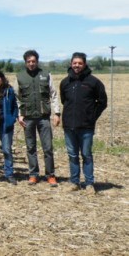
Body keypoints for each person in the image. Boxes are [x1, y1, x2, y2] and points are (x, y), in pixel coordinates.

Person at [60, 52, 107, 194]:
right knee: (72, 155)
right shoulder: (65, 82)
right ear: (71, 64)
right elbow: (64, 101)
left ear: (84, 64)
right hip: (69, 125)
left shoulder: (93, 82)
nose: (77, 66)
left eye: (80, 63)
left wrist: (92, 116)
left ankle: (89, 183)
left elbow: (102, 102)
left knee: (86, 155)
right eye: (75, 63)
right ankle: (74, 182)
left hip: (86, 126)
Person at [16, 50, 61, 187]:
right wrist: (19, 114)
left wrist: (57, 113)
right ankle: (33, 174)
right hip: (28, 118)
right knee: (31, 148)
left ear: (37, 61)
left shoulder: (46, 74)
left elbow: (53, 94)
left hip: (44, 118)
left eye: (33, 61)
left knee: (47, 147)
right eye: (29, 61)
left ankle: (50, 175)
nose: (31, 64)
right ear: (25, 62)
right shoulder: (20, 76)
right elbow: (17, 98)